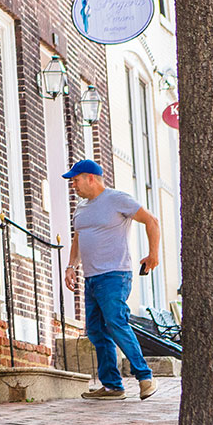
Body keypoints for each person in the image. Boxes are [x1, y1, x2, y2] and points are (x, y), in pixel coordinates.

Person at [62, 159, 163, 401]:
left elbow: (151, 221)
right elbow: (78, 238)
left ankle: (145, 377)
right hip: (92, 277)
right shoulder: (81, 208)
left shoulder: (117, 199)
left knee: (116, 322)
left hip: (115, 274)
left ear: (91, 178)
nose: (73, 185)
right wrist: (70, 266)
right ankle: (112, 386)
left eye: (75, 180)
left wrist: (153, 254)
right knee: (96, 330)